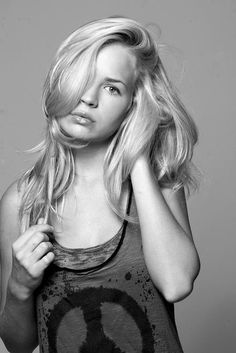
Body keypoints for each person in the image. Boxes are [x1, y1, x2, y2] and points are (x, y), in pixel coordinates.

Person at [0, 16, 200, 353]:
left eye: (112, 88)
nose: (89, 99)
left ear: (132, 106)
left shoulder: (159, 186)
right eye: (83, 79)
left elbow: (176, 284)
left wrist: (136, 155)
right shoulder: (23, 201)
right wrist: (19, 287)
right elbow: (18, 344)